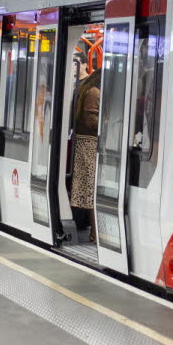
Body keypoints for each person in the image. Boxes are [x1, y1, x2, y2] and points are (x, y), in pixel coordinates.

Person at [69, 52, 101, 242]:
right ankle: (95, 232)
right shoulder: (94, 92)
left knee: (87, 189)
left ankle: (93, 231)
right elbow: (91, 119)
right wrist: (107, 124)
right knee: (91, 190)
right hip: (90, 143)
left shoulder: (85, 89)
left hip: (83, 143)